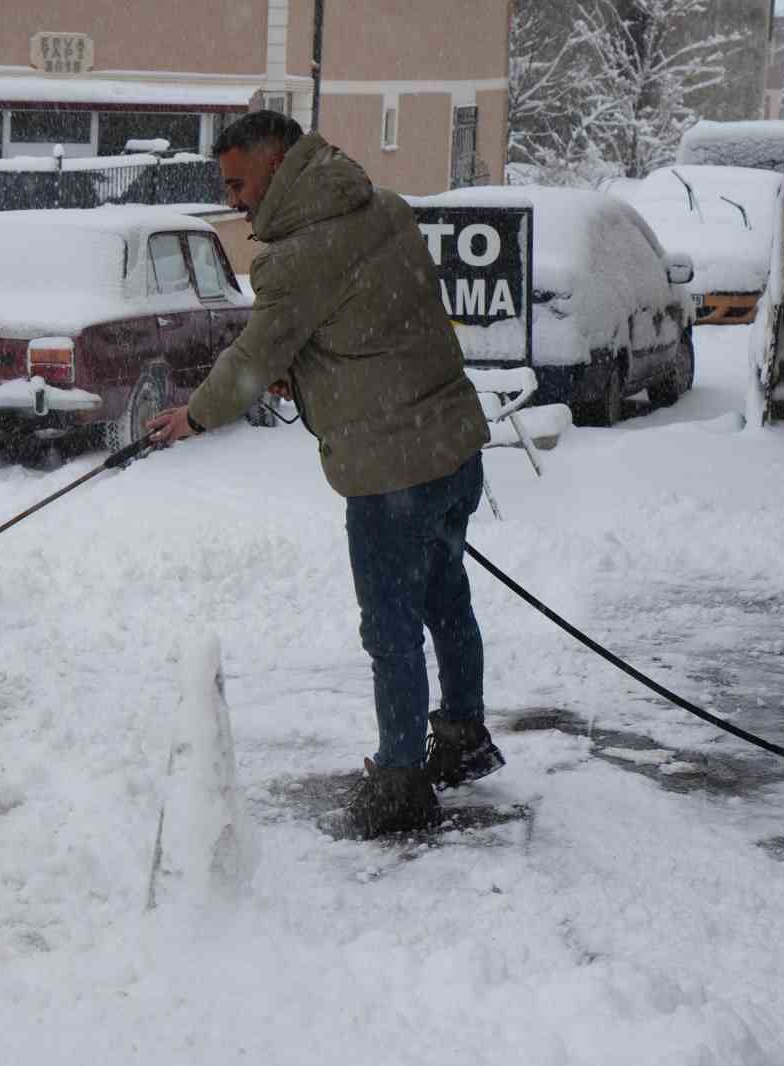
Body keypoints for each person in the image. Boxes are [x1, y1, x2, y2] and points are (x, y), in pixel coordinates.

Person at [146, 110, 504, 840]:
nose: (235, 200)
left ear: (277, 163)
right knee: (446, 600)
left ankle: (402, 780)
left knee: (392, 630)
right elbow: (374, 327)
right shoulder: (386, 210)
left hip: (389, 469)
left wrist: (196, 416)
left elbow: (251, 360)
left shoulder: (297, 256)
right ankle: (464, 736)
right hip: (453, 444)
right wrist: (308, 375)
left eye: (239, 182)